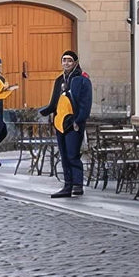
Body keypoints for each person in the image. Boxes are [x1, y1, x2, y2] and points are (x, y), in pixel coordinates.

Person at [39, 50, 92, 198]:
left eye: (69, 60)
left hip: (73, 123)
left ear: (75, 62)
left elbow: (85, 103)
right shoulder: (59, 80)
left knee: (73, 155)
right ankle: (67, 185)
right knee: (64, 155)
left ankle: (77, 185)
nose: (66, 63)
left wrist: (79, 120)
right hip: (60, 122)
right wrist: (45, 112)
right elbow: (54, 102)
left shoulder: (82, 80)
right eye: (64, 60)